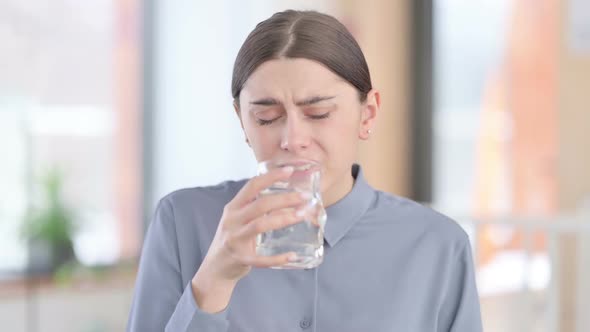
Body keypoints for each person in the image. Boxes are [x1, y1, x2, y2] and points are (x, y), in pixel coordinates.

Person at [127, 9, 482, 332]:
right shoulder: (182, 221)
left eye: (318, 113)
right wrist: (215, 278)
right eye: (266, 117)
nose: (292, 140)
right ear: (241, 121)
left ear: (368, 113)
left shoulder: (439, 246)